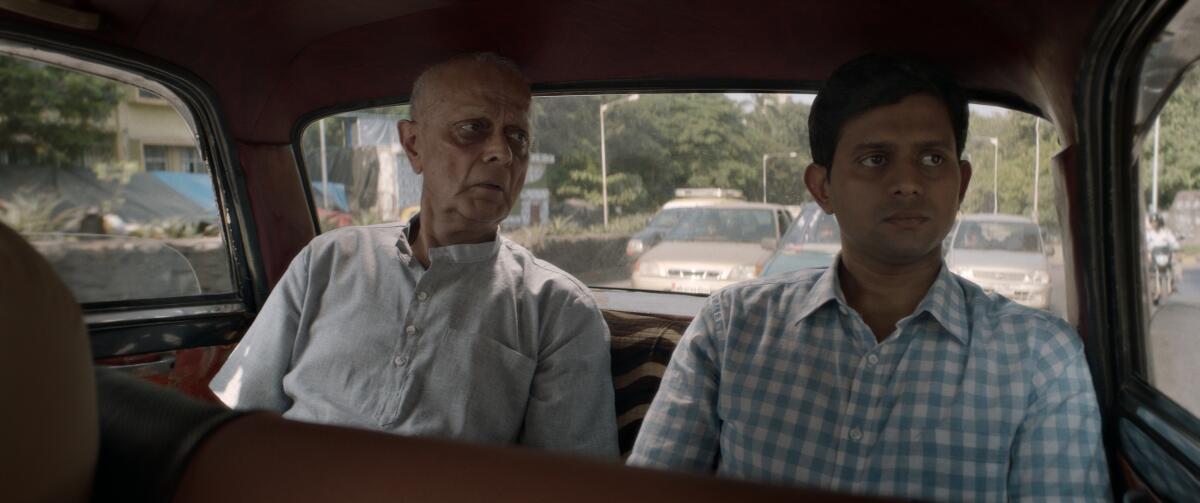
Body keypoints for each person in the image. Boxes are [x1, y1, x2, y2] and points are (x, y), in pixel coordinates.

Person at [628, 55, 1111, 500]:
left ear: (960, 184)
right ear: (823, 188)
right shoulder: (731, 326)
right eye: (875, 159)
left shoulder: (1040, 357)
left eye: (932, 159)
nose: (908, 181)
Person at [210, 53, 618, 458]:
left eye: (518, 137)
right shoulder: (330, 259)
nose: (502, 153)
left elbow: (568, 482)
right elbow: (239, 417)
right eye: (472, 129)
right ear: (413, 145)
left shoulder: (559, 308)